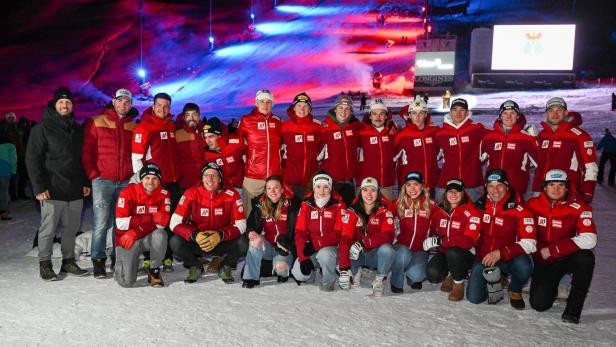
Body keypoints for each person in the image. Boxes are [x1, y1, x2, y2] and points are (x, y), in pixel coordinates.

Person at [26, 87, 91, 281]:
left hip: (74, 188)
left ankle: (68, 261)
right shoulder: (42, 128)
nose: (65, 105)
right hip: (52, 188)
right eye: (61, 102)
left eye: (68, 102)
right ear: (54, 105)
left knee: (71, 228)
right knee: (49, 229)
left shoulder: (77, 129)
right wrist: (38, 187)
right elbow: (32, 159)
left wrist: (85, 182)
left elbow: (81, 159)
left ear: (72, 106)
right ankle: (45, 264)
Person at [527, 169, 597, 324]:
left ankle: (573, 311)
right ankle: (554, 283)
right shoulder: (532, 205)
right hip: (545, 260)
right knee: (539, 305)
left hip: (567, 256)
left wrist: (554, 250)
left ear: (567, 188)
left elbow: (590, 239)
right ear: (544, 187)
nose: (556, 189)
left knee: (586, 258)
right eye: (551, 184)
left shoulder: (579, 207)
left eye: (560, 185)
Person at [82, 88, 136, 278]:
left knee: (120, 223)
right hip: (102, 181)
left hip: (124, 182)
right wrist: (94, 174)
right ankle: (98, 261)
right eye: (120, 100)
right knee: (101, 223)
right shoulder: (97, 121)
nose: (124, 104)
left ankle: (117, 258)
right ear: (113, 101)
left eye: (127, 101)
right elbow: (86, 152)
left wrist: (133, 176)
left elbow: (136, 154)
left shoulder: (132, 125)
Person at [467, 169, 537, 309]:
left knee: (524, 265)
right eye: (491, 186)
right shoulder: (478, 207)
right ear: (486, 188)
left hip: (508, 258)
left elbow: (530, 243)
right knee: (475, 298)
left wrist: (500, 253)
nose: (495, 190)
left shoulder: (520, 210)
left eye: (499, 185)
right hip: (485, 258)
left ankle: (515, 290)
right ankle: (494, 279)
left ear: (506, 186)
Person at [169, 162, 248, 284]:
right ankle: (195, 265)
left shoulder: (232, 195)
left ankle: (225, 265)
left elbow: (241, 224)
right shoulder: (191, 193)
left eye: (214, 175)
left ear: (220, 178)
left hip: (222, 240)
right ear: (201, 178)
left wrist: (220, 235)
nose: (210, 179)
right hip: (198, 241)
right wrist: (195, 235)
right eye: (206, 175)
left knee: (244, 242)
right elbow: (174, 222)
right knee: (175, 241)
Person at [131, 92, 178, 272]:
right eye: (159, 105)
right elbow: (136, 158)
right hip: (154, 184)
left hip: (172, 182)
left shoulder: (171, 126)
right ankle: (149, 257)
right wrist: (142, 184)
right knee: (152, 220)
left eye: (166, 106)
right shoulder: (144, 127)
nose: (162, 109)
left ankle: (167, 258)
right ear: (153, 105)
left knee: (170, 220)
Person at [424, 178, 482, 301]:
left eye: (457, 191)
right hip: (445, 252)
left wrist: (441, 241)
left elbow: (468, 241)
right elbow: (431, 230)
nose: (454, 195)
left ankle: (458, 283)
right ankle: (451, 274)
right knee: (433, 274)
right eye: (450, 191)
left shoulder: (472, 211)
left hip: (465, 254)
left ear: (463, 193)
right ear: (446, 193)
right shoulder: (440, 211)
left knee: (453, 252)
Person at [114, 163, 170, 288]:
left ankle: (154, 270)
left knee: (160, 234)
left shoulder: (164, 193)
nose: (151, 182)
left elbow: (162, 224)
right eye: (147, 178)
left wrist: (137, 230)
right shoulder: (127, 192)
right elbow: (121, 224)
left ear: (159, 180)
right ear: (141, 179)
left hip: (141, 235)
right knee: (126, 282)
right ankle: (120, 263)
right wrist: (150, 218)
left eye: (155, 178)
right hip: (127, 238)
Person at [531, 97, 598, 202]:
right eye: (551, 110)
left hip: (568, 195)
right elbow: (538, 164)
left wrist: (586, 194)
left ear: (566, 112)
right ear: (546, 114)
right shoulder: (543, 135)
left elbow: (590, 168)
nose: (555, 114)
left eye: (559, 110)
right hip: (542, 194)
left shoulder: (579, 136)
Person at [339, 177, 395, 296]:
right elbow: (345, 237)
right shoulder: (353, 210)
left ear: (378, 192)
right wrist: (344, 269)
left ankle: (379, 280)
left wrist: (364, 242)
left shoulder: (384, 210)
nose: (369, 194)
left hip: (374, 254)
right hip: (356, 254)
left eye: (373, 190)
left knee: (388, 250)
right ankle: (355, 271)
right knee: (340, 259)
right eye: (365, 190)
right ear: (360, 192)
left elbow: (388, 235)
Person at [291, 171, 346, 291]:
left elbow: (338, 233)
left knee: (325, 254)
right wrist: (303, 257)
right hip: (312, 247)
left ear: (331, 188)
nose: (322, 190)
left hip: (331, 248)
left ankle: (328, 281)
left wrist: (317, 244)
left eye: (326, 187)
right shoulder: (306, 204)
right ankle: (311, 275)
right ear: (313, 187)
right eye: (319, 186)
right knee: (298, 273)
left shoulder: (339, 205)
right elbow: (300, 231)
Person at [242, 175, 300, 288]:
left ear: (282, 189)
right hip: (268, 247)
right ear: (265, 190)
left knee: (281, 268)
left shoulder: (293, 206)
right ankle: (250, 278)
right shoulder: (260, 204)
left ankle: (273, 268)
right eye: (269, 188)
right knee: (256, 239)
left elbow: (300, 231)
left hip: (284, 250)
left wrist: (290, 246)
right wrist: (251, 232)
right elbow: (251, 224)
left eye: (276, 188)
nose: (272, 191)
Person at [237, 89, 283, 216]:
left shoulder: (277, 121)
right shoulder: (246, 120)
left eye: (269, 101)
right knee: (249, 211)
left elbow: (283, 144)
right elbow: (238, 143)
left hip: (274, 175)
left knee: (272, 211)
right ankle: (248, 234)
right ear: (256, 103)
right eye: (262, 101)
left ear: (272, 104)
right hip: (253, 175)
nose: (265, 104)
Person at [390, 171, 437, 293]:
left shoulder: (431, 205)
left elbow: (439, 225)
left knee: (418, 276)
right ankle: (396, 281)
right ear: (404, 187)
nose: (412, 188)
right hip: (401, 248)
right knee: (403, 254)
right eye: (409, 185)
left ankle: (412, 275)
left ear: (422, 186)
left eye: (416, 184)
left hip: (419, 250)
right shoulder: (397, 204)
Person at [480, 100, 538, 197]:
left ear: (518, 116)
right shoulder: (489, 137)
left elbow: (540, 163)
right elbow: (476, 161)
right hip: (493, 191)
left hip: (517, 191)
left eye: (512, 113)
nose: (508, 116)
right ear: (500, 116)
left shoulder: (526, 138)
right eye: (505, 113)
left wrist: (535, 138)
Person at [435, 98, 486, 202]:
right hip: (447, 183)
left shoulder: (476, 129)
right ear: (450, 112)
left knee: (474, 215)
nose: (458, 113)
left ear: (467, 112)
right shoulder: (440, 133)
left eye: (462, 110)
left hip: (471, 183)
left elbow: (499, 135)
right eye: (455, 110)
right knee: (441, 214)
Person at [318, 95, 362, 206]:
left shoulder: (356, 127)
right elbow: (316, 155)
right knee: (332, 213)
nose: (344, 111)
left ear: (351, 111)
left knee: (348, 215)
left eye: (347, 108)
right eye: (340, 108)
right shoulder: (325, 130)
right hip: (332, 181)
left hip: (349, 181)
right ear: (335, 109)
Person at [393, 96, 439, 192]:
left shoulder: (434, 132)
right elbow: (390, 157)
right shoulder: (401, 135)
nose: (417, 117)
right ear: (409, 115)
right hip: (409, 187)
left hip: (430, 185)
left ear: (426, 114)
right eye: (414, 113)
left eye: (421, 113)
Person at [281, 92, 322, 198]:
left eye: (305, 106)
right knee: (291, 213)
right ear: (294, 108)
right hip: (290, 181)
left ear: (310, 109)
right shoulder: (284, 126)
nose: (302, 109)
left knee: (307, 213)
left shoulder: (318, 126)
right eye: (299, 106)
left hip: (310, 181)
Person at [356, 100, 397, 200]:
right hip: (366, 184)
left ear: (386, 116)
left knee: (387, 213)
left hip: (385, 183)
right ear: (370, 116)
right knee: (364, 214)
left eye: (381, 114)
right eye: (374, 114)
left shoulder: (392, 133)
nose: (378, 117)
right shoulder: (360, 133)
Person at [203, 117, 246, 195]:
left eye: (211, 136)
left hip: (242, 186)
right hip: (224, 190)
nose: (207, 141)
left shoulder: (236, 142)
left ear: (220, 135)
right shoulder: (207, 153)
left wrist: (237, 127)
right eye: (205, 137)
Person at [174, 103, 206, 191]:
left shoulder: (207, 133)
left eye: (194, 114)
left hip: (205, 183)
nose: (191, 118)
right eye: (188, 115)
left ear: (199, 116)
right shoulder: (177, 135)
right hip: (185, 184)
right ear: (184, 118)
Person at [0, 129, 16, 220]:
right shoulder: (10, 145)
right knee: (4, 192)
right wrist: (14, 172)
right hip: (5, 172)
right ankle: (3, 212)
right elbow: (13, 160)